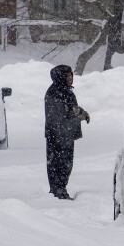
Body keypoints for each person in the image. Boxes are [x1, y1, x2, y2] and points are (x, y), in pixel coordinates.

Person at [44, 65, 89, 200]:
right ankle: (58, 191)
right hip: (58, 136)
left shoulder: (65, 91)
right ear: (60, 77)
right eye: (67, 76)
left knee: (65, 164)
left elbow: (70, 109)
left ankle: (60, 190)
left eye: (71, 75)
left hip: (65, 135)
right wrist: (79, 113)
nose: (70, 78)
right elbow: (62, 114)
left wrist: (80, 113)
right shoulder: (55, 93)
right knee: (59, 164)